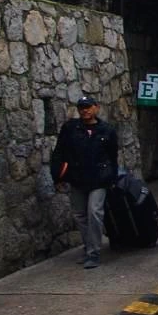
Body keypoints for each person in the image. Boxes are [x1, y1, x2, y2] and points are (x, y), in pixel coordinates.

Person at [50, 95, 119, 269]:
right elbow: (59, 152)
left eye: (88, 107)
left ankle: (94, 253)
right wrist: (58, 176)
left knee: (94, 212)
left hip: (99, 178)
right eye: (81, 107)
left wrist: (112, 178)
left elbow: (112, 156)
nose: (85, 110)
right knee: (80, 215)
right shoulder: (71, 128)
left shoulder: (107, 130)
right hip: (78, 177)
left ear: (96, 108)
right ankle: (89, 247)